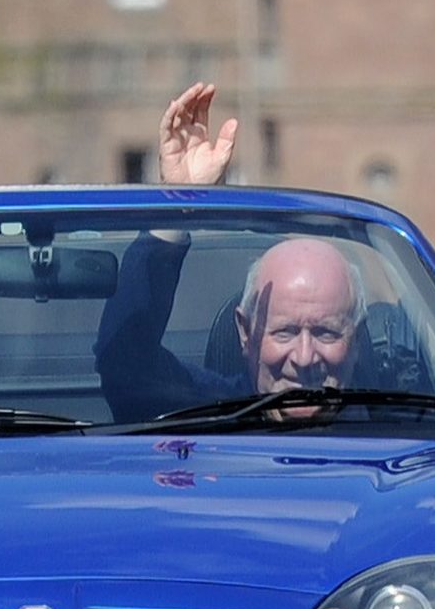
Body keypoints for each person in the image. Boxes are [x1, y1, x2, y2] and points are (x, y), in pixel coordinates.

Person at [94, 83, 372, 422]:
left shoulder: (413, 429)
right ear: (245, 332)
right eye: (284, 332)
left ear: (356, 339)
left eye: (325, 333)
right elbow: (126, 364)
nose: (304, 357)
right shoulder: (215, 416)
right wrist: (179, 207)